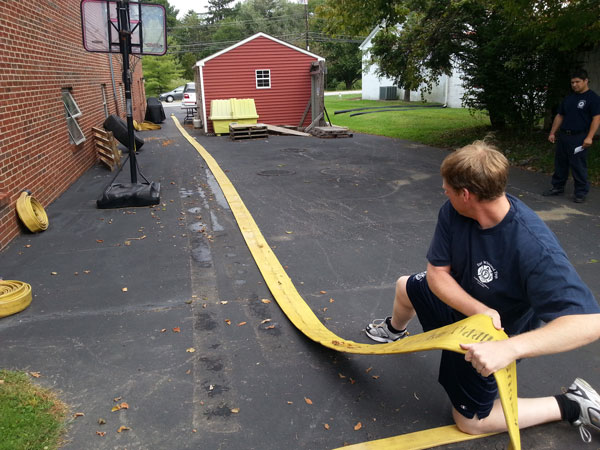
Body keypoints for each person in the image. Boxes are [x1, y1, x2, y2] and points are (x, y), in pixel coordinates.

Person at [366, 141, 600, 443]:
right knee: (405, 286)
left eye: (447, 189)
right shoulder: (454, 211)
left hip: (488, 337)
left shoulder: (533, 248)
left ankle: (570, 404)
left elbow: (589, 322)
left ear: (467, 195)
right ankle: (394, 330)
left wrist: (508, 348)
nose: (443, 192)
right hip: (468, 308)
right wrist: (479, 309)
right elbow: (437, 274)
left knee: (472, 422)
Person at [544, 68, 600, 203]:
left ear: (586, 81)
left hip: (579, 137)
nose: (574, 85)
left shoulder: (593, 98)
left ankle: (580, 192)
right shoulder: (569, 98)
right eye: (572, 82)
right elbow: (560, 115)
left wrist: (590, 137)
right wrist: (552, 132)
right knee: (560, 163)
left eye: (577, 82)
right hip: (564, 136)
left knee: (578, 165)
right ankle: (557, 187)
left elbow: (596, 118)